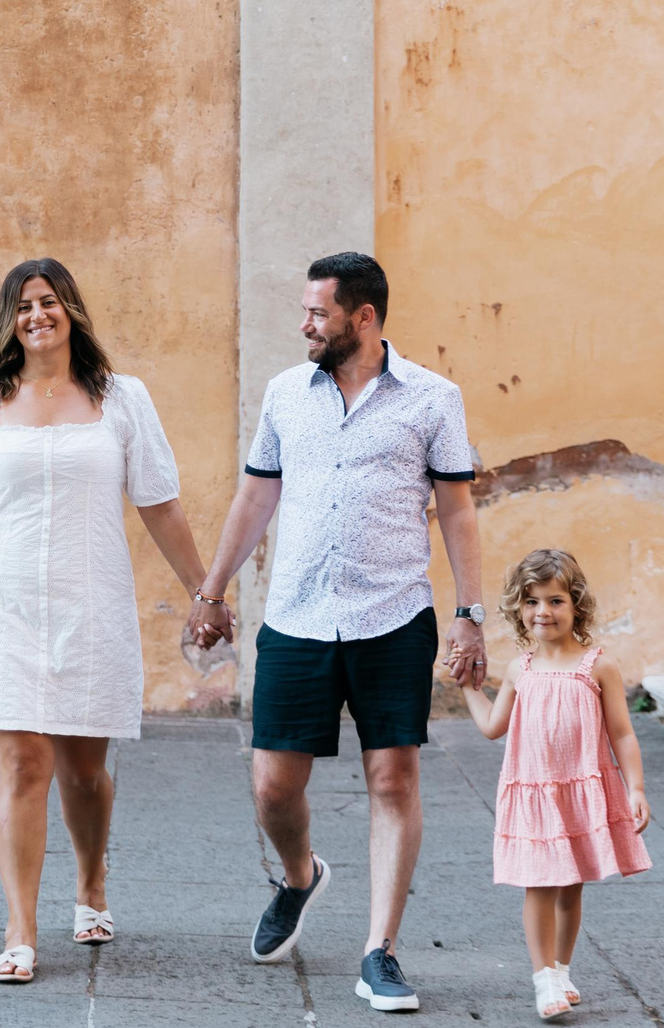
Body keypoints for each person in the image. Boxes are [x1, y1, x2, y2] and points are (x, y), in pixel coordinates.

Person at [188, 251, 486, 1014]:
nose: (305, 324)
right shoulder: (288, 391)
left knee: (394, 778)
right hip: (297, 615)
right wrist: (212, 589)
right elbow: (256, 494)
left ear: (364, 317)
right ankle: (299, 876)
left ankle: (379, 949)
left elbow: (455, 509)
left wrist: (469, 612)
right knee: (273, 786)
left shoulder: (433, 398)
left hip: (393, 615)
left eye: (318, 313)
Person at [0, 258, 214, 984]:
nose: (36, 315)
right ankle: (19, 927)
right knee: (23, 761)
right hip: (3, 600)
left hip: (91, 599)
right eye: (22, 306)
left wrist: (205, 588)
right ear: (7, 320)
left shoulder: (121, 398)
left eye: (48, 301)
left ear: (72, 309)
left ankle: (90, 885)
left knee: (83, 770)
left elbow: (160, 503)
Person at [456, 549, 651, 1020]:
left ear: (576, 605)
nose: (543, 611)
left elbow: (622, 734)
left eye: (556, 600)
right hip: (535, 794)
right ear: (519, 610)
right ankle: (543, 979)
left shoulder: (598, 666)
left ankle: (561, 971)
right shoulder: (521, 669)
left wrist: (636, 788)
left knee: (571, 886)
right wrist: (466, 687)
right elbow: (492, 726)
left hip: (581, 791)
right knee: (539, 885)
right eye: (532, 601)